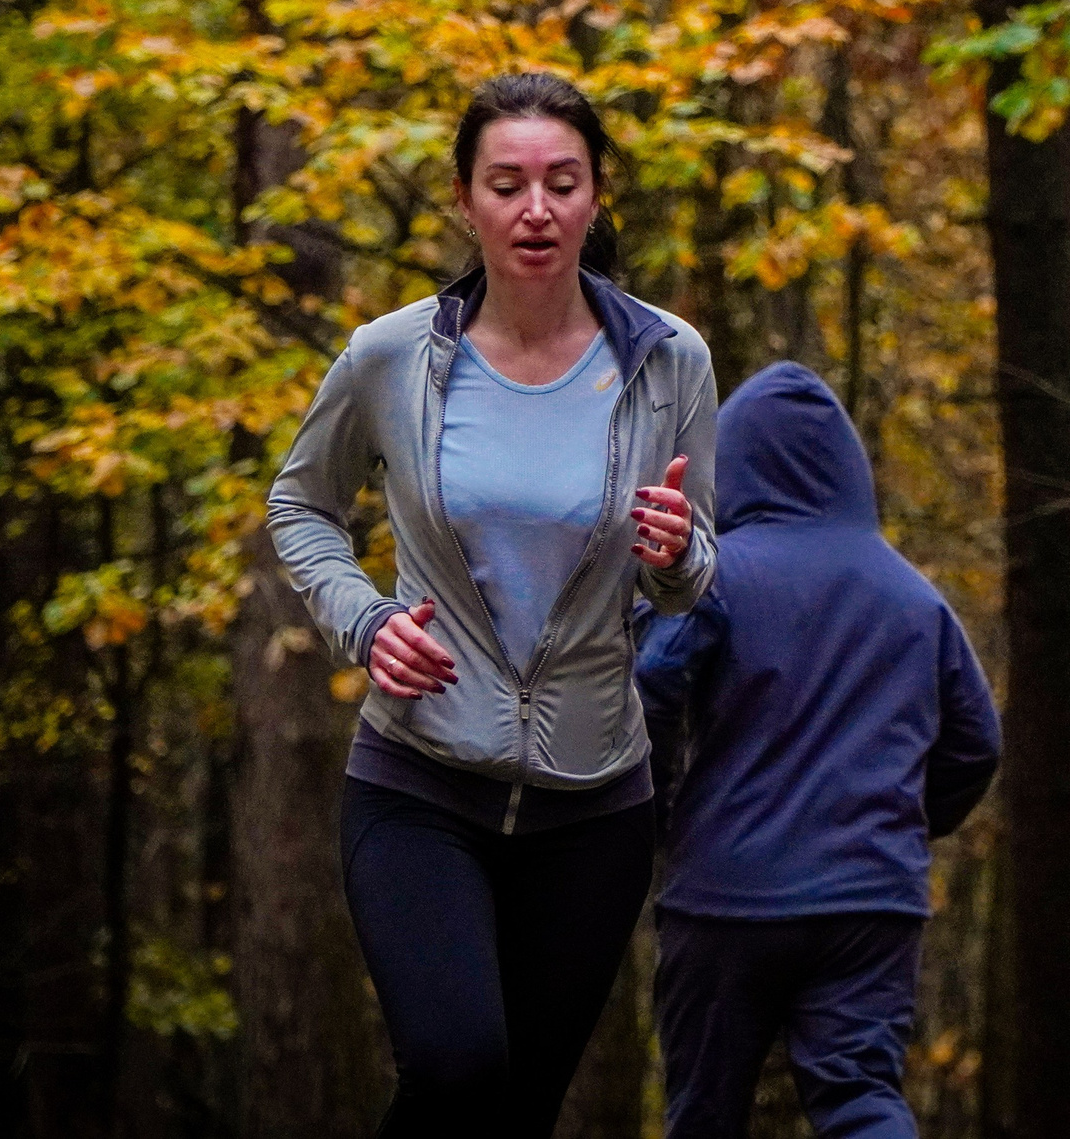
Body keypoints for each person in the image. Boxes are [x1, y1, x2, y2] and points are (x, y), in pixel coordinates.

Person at [265, 71, 719, 1132]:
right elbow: (301, 503)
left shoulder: (668, 360)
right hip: (421, 778)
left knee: (517, 1110)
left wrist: (674, 552)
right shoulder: (392, 357)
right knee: (456, 1062)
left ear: (596, 196)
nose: (536, 209)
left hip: (594, 802)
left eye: (563, 182)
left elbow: (693, 571)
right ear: (466, 201)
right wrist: (365, 620)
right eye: (507, 184)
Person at [636, 362, 1001, 1139]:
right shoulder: (916, 597)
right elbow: (976, 743)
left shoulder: (711, 577)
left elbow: (651, 688)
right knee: (862, 1097)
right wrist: (898, 822)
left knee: (704, 1113)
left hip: (728, 892)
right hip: (872, 898)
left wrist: (659, 819)